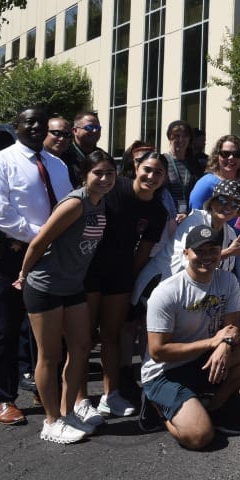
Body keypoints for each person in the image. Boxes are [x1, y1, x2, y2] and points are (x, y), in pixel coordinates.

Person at [0, 105, 74, 426]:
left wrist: (58, 239)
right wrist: (42, 236)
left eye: (41, 123)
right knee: (7, 323)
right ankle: (3, 397)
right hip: (11, 252)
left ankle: (40, 386)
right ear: (16, 125)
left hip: (49, 254)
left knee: (43, 327)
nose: (36, 127)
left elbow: (65, 206)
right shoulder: (0, 162)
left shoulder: (57, 165)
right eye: (28, 122)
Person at [14, 151, 115, 443]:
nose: (105, 179)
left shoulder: (101, 202)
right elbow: (39, 241)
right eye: (98, 173)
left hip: (72, 286)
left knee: (82, 347)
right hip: (44, 285)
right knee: (50, 355)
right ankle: (51, 422)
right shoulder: (75, 204)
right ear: (85, 175)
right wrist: (23, 274)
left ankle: (68, 412)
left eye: (110, 173)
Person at [141, 225, 240, 448]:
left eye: (213, 250)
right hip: (166, 372)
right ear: (186, 253)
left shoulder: (227, 281)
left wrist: (224, 344)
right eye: (200, 251)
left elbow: (233, 326)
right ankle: (158, 409)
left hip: (204, 360)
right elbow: (158, 352)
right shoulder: (167, 291)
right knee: (199, 437)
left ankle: (213, 406)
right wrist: (212, 342)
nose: (207, 257)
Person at [84, 149, 169, 419]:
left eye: (158, 172)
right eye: (147, 169)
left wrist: (129, 281)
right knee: (82, 339)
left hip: (119, 276)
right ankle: (78, 399)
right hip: (88, 271)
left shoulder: (157, 210)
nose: (151, 176)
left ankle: (110, 396)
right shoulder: (114, 187)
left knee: (111, 336)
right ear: (136, 167)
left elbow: (143, 252)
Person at [170, 179, 240, 280]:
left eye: (235, 204)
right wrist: (228, 252)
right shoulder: (195, 220)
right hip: (164, 280)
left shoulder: (231, 233)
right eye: (223, 200)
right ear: (211, 202)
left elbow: (224, 271)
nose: (228, 206)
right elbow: (187, 262)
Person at [188, 134, 240, 221]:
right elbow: (194, 218)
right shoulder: (205, 184)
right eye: (225, 154)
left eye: (236, 154)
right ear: (217, 156)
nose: (231, 158)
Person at [43, 116, 76, 190]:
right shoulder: (33, 161)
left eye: (66, 135)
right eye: (57, 133)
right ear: (44, 132)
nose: (62, 139)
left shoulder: (74, 164)